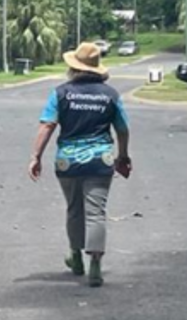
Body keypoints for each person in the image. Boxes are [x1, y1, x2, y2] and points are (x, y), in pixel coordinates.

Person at [27, 42, 131, 288]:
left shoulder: (61, 93)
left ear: (73, 67)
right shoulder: (111, 95)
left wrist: (36, 156)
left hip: (68, 161)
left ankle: (75, 256)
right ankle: (95, 264)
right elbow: (123, 129)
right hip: (100, 159)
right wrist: (123, 156)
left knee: (74, 208)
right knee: (96, 212)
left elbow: (47, 125)